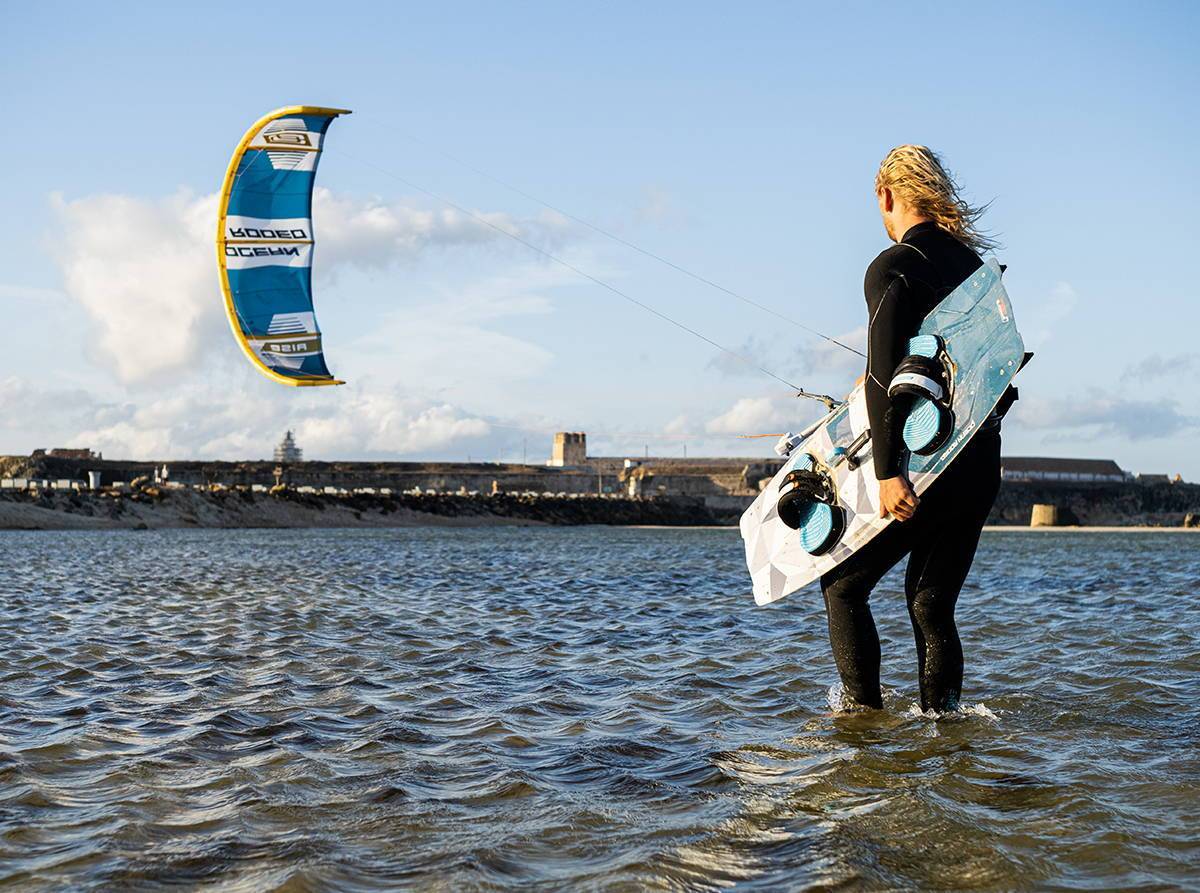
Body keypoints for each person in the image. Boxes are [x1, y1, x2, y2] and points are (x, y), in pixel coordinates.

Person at [821, 145, 1003, 713]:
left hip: (925, 468)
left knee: (844, 587)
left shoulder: (893, 265)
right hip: (980, 461)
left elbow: (881, 376)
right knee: (930, 603)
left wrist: (887, 473)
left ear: (887, 196)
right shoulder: (975, 268)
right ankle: (944, 731)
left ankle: (863, 728)